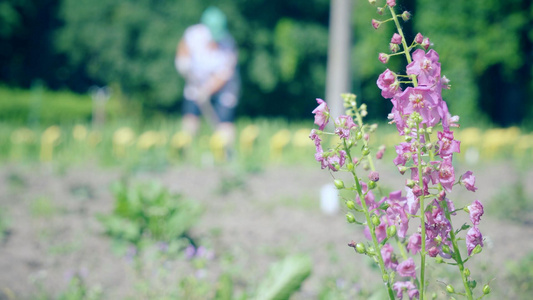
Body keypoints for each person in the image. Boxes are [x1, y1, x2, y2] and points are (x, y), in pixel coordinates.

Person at [175, 6, 240, 153]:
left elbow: (223, 76)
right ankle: (184, 151)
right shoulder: (193, 34)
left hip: (225, 88)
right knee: (190, 119)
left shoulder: (229, 45)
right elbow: (183, 48)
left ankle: (227, 152)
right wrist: (182, 63)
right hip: (195, 82)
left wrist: (206, 90)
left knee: (224, 124)